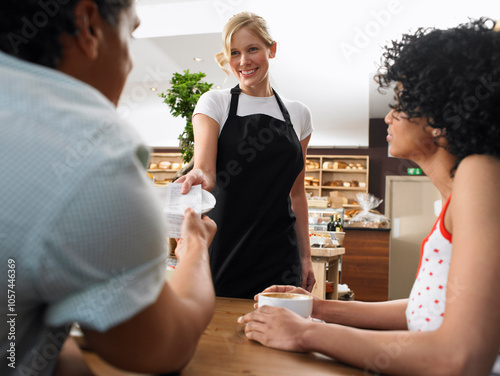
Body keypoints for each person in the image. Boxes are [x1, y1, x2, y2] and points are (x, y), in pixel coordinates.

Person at [238, 18, 500, 376]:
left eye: (402, 103)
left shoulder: (480, 172)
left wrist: (307, 334)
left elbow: (459, 357)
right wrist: (317, 309)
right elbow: (424, 308)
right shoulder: (460, 192)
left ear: (439, 116)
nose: (389, 116)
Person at [0, 1, 216, 375]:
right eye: (130, 36)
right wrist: (194, 245)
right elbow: (161, 348)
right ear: (88, 26)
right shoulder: (94, 154)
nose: (130, 64)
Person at [177, 12, 316, 299]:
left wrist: (305, 258)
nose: (243, 61)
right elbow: (206, 170)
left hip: (280, 254)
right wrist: (195, 176)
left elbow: (297, 194)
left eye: (252, 49)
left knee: (280, 337)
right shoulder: (216, 102)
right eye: (235, 53)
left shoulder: (299, 114)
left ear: (271, 49)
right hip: (226, 248)